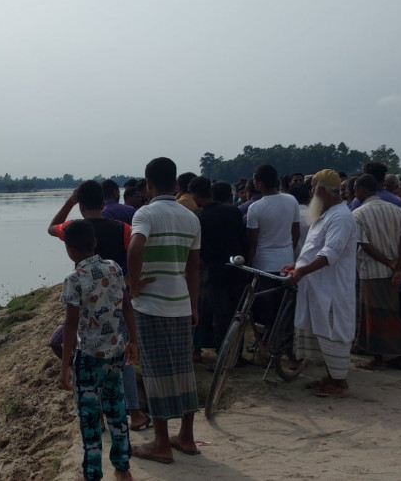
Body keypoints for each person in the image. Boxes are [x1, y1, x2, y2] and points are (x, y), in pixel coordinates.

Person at [48, 181, 150, 431]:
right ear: (104, 203)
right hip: (116, 300)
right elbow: (137, 254)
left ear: (81, 205)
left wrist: (70, 201)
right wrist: (129, 282)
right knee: (122, 356)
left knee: (69, 346)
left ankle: (102, 413)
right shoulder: (123, 228)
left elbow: (51, 228)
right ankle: (134, 413)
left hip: (86, 305)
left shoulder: (74, 229)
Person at [126, 157, 201, 463]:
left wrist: (134, 285)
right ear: (176, 183)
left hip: (151, 306)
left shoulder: (145, 213)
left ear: (148, 184)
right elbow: (194, 266)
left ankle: (160, 443)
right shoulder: (190, 217)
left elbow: (134, 248)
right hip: (180, 303)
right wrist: (193, 304)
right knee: (184, 370)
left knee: (156, 372)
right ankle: (186, 436)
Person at [58, 220, 135, 481]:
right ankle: (123, 469)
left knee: (90, 417)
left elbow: (70, 324)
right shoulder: (114, 267)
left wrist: (65, 366)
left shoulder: (74, 279)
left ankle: (92, 474)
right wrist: (133, 341)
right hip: (116, 350)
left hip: (89, 357)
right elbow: (126, 305)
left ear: (70, 250)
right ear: (95, 242)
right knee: (116, 409)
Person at [289, 169, 358, 397]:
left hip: (332, 289)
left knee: (333, 333)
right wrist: (298, 266)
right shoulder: (325, 214)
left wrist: (303, 270)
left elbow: (330, 253)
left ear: (323, 190)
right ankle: (330, 377)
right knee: (321, 333)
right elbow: (313, 249)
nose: (310, 192)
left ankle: (340, 385)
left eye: (313, 187)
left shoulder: (340, 217)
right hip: (317, 286)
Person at [352, 174, 401, 371]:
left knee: (374, 315)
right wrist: (399, 267)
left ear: (362, 190)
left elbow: (364, 244)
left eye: (355, 190)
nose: (354, 194)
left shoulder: (358, 213)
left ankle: (379, 358)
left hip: (372, 271)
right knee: (392, 313)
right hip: (393, 272)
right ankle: (398, 355)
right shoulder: (397, 209)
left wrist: (389, 262)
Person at [190, 177, 247, 363]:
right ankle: (237, 354)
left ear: (196, 195)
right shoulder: (233, 211)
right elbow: (243, 239)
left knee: (220, 317)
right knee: (238, 314)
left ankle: (223, 357)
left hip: (214, 272)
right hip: (238, 269)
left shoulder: (200, 219)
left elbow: (199, 252)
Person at [246, 164, 301, 332]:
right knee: (283, 308)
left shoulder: (255, 207)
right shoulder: (291, 200)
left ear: (260, 183)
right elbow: (296, 232)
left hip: (264, 265)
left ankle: (265, 340)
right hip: (286, 262)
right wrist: (288, 250)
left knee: (265, 311)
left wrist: (249, 263)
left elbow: (253, 241)